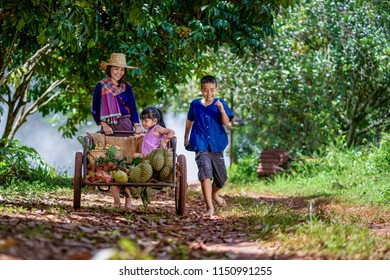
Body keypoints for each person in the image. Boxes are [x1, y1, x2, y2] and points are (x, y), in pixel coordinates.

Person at [91, 53, 143, 210]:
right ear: (109, 69)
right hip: (109, 129)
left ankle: (128, 201)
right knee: (112, 163)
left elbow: (133, 109)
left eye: (122, 69)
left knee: (127, 165)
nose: (119, 72)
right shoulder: (101, 86)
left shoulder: (127, 88)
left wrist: (137, 125)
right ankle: (116, 201)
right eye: (116, 69)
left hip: (126, 127)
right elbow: (95, 108)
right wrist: (103, 124)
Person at [184, 75, 234, 217]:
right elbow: (189, 121)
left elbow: (226, 123)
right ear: (201, 90)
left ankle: (214, 194)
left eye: (212, 90)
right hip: (200, 143)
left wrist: (222, 110)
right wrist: (185, 137)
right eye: (206, 90)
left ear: (216, 90)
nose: (209, 93)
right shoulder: (195, 104)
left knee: (222, 179)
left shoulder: (221, 103)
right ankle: (209, 208)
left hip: (216, 144)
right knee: (206, 174)